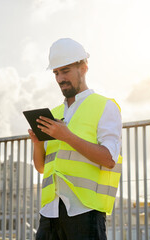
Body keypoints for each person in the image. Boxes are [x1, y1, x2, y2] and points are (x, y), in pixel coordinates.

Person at [28, 38, 122, 240]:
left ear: (84, 67)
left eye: (66, 70)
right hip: (50, 212)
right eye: (56, 73)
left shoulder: (105, 107)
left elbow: (109, 159)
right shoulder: (53, 113)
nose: (60, 78)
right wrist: (37, 144)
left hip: (85, 212)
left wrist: (67, 136)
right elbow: (42, 167)